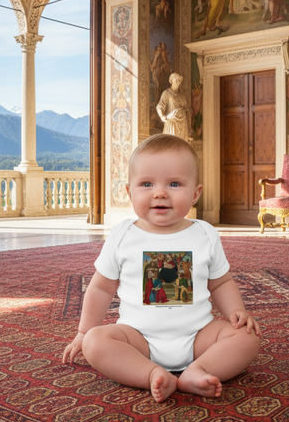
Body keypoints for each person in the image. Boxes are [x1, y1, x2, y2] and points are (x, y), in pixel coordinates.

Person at [62, 134, 262, 402]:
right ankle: (151, 374)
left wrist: (238, 311)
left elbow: (221, 283)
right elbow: (100, 288)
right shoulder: (122, 235)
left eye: (175, 184)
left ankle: (198, 370)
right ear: (129, 192)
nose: (160, 193)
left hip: (198, 337)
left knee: (248, 337)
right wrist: (84, 332)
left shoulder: (205, 234)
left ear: (195, 194)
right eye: (146, 184)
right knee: (95, 343)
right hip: (137, 339)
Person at [157, 72, 191, 139]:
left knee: (182, 144)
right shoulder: (167, 93)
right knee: (171, 142)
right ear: (171, 80)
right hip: (172, 121)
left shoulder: (182, 95)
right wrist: (162, 116)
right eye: (176, 79)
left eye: (179, 80)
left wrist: (189, 130)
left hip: (182, 122)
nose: (178, 81)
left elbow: (187, 110)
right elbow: (160, 106)